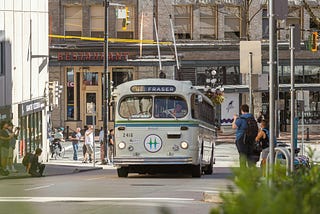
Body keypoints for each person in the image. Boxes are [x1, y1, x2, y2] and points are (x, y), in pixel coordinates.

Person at [232, 104, 256, 168]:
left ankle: (243, 171)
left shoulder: (241, 118)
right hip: (251, 139)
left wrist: (235, 119)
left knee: (242, 155)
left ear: (242, 110)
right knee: (249, 155)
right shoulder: (252, 117)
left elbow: (234, 126)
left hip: (241, 139)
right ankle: (251, 171)